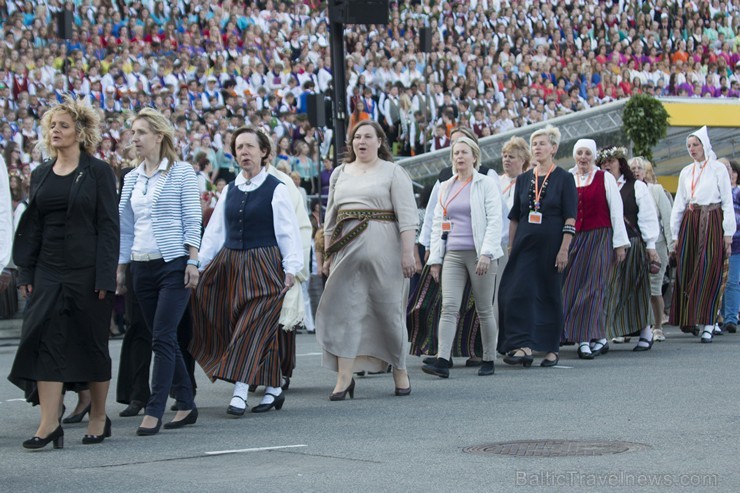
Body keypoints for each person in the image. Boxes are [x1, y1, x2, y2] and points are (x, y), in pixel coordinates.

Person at [8, 97, 119, 449]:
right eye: (52, 125)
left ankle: (99, 416)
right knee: (43, 342)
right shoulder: (40, 172)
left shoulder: (98, 171)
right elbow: (33, 226)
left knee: (91, 343)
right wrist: (26, 271)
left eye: (63, 126)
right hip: (47, 270)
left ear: (80, 132)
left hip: (87, 272)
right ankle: (48, 424)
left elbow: (108, 227)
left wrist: (105, 276)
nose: (55, 131)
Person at [191, 126, 303, 415]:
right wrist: (199, 263)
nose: (244, 152)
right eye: (239, 147)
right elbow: (216, 231)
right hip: (231, 265)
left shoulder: (276, 188)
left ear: (264, 152)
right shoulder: (229, 189)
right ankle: (274, 388)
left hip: (265, 266)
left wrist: (291, 268)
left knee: (250, 326)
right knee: (247, 326)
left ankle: (240, 390)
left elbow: (288, 232)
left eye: (250, 146)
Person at [315, 120, 417, 400]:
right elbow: (331, 218)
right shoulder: (339, 173)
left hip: (385, 253)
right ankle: (344, 377)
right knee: (346, 312)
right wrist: (326, 255)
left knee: (389, 312)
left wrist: (408, 253)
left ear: (380, 141)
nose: (361, 141)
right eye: (356, 137)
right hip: (346, 252)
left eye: (367, 136)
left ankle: (399, 369)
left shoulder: (394, 172)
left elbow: (408, 218)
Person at [117, 108, 201, 436]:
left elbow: (193, 219)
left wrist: (192, 261)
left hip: (173, 263)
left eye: (140, 132)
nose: (134, 138)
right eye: (132, 132)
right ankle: (186, 400)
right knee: (159, 336)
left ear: (158, 136)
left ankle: (155, 407)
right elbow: (126, 227)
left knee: (163, 335)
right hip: (141, 265)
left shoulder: (181, 172)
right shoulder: (131, 178)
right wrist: (122, 268)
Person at [422, 136, 502, 378]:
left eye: (464, 152)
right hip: (453, 254)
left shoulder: (485, 183)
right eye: (456, 153)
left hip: (480, 253)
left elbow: (495, 220)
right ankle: (443, 360)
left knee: (484, 308)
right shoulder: (446, 186)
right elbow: (438, 224)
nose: (459, 157)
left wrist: (487, 253)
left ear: (474, 157)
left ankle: (489, 357)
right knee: (448, 306)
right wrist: (435, 259)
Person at [497, 125, 577, 368]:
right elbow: (515, 217)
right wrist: (511, 247)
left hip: (552, 246)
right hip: (524, 245)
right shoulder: (523, 179)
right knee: (514, 292)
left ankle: (551, 347)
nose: (537, 148)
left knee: (548, 294)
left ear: (553, 148)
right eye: (534, 144)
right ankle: (522, 345)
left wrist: (564, 249)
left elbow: (570, 218)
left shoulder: (564, 178)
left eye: (542, 144)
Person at [561, 139, 628, 359]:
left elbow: (616, 212)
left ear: (593, 156)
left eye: (587, 153)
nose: (583, 157)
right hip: (574, 239)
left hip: (600, 237)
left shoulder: (604, 178)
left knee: (593, 287)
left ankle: (583, 338)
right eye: (579, 153)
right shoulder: (568, 178)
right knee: (572, 287)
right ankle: (597, 335)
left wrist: (619, 244)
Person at [669, 127, 735, 343]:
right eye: (688, 146)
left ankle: (709, 322)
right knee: (687, 267)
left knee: (709, 268)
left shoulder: (718, 169)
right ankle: (691, 318)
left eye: (695, 145)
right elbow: (679, 202)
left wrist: (728, 234)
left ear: (704, 145)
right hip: (691, 220)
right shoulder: (686, 171)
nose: (691, 149)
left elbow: (727, 201)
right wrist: (675, 234)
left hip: (713, 218)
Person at [599, 148, 660, 351]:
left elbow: (648, 216)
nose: (607, 165)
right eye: (603, 162)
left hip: (632, 243)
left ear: (620, 163)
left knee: (636, 289)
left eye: (611, 161)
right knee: (608, 290)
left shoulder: (636, 187)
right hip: (607, 244)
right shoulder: (600, 185)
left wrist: (651, 246)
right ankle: (602, 335)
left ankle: (646, 332)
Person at [629, 157, 674, 342]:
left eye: (640, 168)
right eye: (633, 168)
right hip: (635, 245)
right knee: (633, 288)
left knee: (654, 288)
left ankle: (657, 326)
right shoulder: (625, 190)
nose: (636, 171)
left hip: (658, 244)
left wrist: (672, 246)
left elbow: (667, 218)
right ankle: (633, 328)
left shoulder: (655, 191)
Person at [721, 159, 740, 334]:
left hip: (736, 243)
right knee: (720, 281)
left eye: (732, 170)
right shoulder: (717, 192)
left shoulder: (738, 192)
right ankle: (720, 316)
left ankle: (731, 318)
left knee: (732, 281)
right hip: (716, 242)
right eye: (727, 169)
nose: (730, 173)